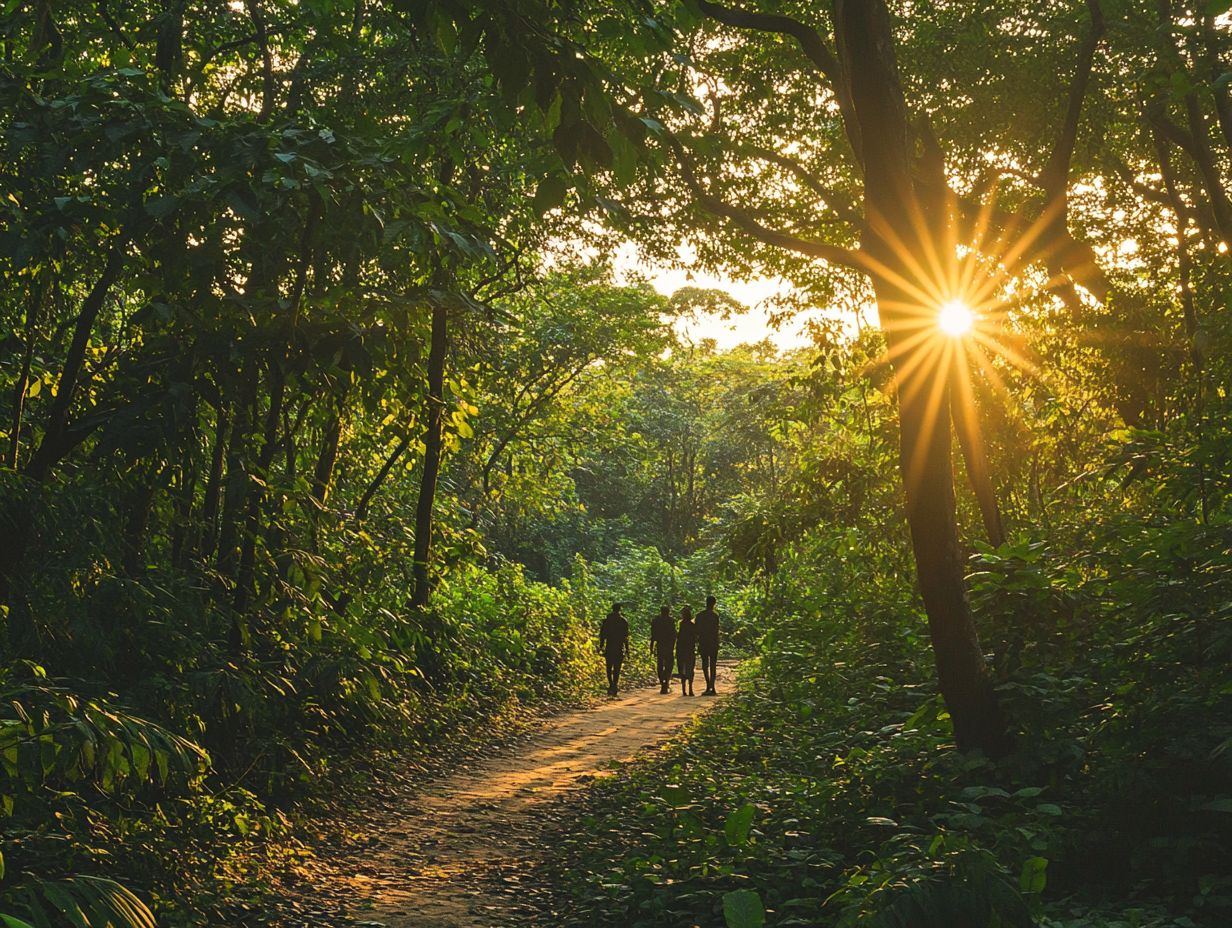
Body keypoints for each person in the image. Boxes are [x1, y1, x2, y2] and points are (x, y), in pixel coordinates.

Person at [598, 602, 629, 696]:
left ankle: (611, 683)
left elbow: (602, 635)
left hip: (609, 646)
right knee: (617, 668)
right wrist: (627, 649)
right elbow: (625, 637)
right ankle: (614, 684)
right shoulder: (623, 621)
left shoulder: (607, 620)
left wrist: (601, 646)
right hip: (619, 647)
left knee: (608, 667)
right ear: (620, 609)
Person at [695, 594, 721, 695]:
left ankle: (707, 686)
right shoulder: (715, 616)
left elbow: (696, 630)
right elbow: (716, 629)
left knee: (705, 665)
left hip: (703, 642)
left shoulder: (699, 615)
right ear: (714, 604)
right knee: (713, 665)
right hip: (713, 642)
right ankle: (712, 687)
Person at [650, 605, 676, 694]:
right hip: (668, 646)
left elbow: (653, 635)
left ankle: (663, 682)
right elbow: (673, 635)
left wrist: (651, 647)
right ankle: (666, 682)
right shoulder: (671, 621)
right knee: (669, 665)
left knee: (660, 665)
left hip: (660, 645)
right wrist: (673, 646)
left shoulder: (656, 620)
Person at [676, 605, 697, 697]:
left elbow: (679, 637)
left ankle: (684, 690)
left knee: (682, 669)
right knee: (690, 669)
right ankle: (690, 689)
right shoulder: (692, 625)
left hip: (681, 649)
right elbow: (695, 637)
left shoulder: (681, 624)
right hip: (690, 649)